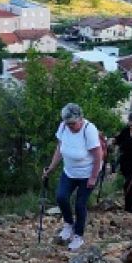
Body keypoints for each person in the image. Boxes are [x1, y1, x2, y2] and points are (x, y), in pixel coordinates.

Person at [43, 103, 103, 252]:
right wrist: (51, 168)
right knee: (61, 197)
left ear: (80, 119)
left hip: (87, 174)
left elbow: (98, 155)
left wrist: (93, 177)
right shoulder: (63, 127)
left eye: (72, 123)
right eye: (67, 123)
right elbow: (60, 148)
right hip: (69, 171)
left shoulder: (89, 130)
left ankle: (78, 236)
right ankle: (68, 224)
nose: (69, 126)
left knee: (80, 204)